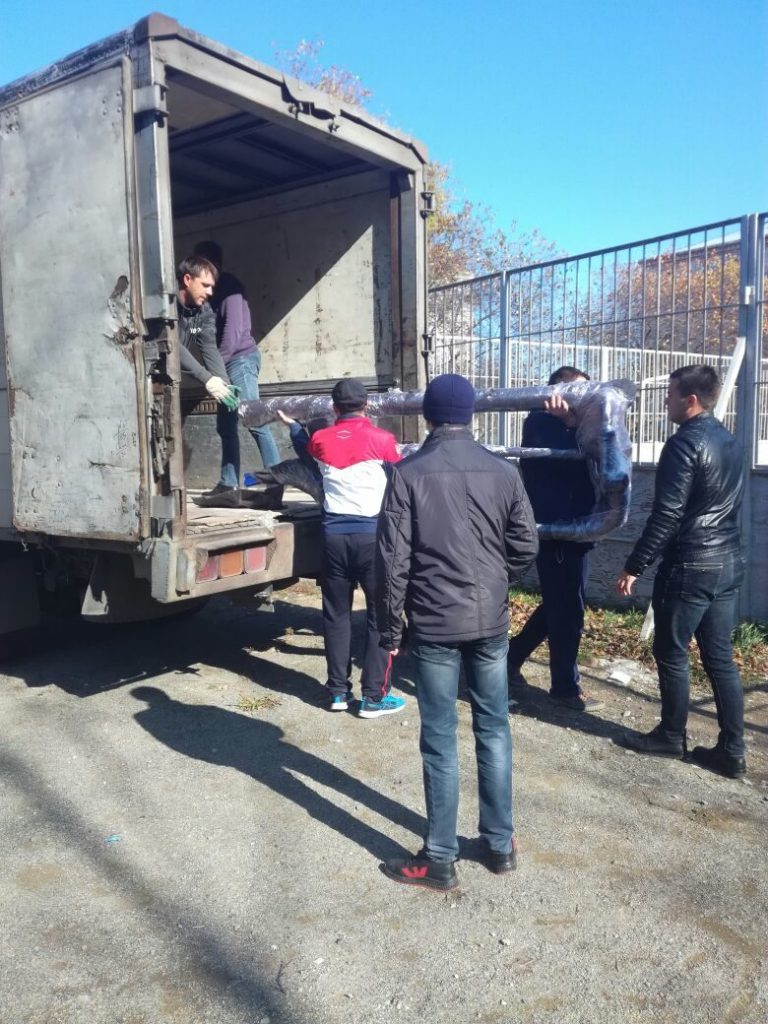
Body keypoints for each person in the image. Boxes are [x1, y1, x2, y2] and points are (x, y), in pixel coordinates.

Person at [375, 373, 539, 891]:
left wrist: (390, 628)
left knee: (440, 738)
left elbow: (392, 563)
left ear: (428, 416)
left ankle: (440, 857)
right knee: (494, 728)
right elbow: (526, 545)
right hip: (490, 621)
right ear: (471, 415)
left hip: (434, 623)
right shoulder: (504, 471)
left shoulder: (407, 474)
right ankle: (499, 844)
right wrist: (496, 582)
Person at [616, 365, 746, 779]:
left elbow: (667, 514)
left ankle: (671, 736)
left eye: (671, 395)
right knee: (719, 658)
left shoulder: (683, 444)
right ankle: (732, 751)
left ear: (690, 400)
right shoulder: (731, 441)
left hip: (691, 564)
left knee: (671, 651)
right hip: (728, 561)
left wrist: (634, 565)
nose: (666, 401)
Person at [507, 366, 604, 712]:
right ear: (558, 394)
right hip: (558, 528)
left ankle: (511, 657)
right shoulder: (543, 421)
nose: (585, 400)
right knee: (567, 609)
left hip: (574, 526)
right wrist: (572, 424)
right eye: (578, 393)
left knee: (560, 604)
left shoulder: (568, 423)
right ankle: (564, 687)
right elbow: (574, 461)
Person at [307, 378, 405, 718]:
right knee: (380, 616)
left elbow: (311, 453)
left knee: (336, 615)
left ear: (334, 407)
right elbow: (397, 476)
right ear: (367, 405)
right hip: (372, 537)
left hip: (333, 537)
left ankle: (337, 692)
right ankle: (373, 697)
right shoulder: (383, 439)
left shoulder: (319, 439)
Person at [192, 241, 280, 509]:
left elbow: (232, 332)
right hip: (226, 363)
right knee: (225, 426)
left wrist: (216, 370)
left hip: (239, 361)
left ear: (213, 264)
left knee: (255, 420)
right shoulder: (208, 294)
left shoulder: (229, 287)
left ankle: (275, 485)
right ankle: (228, 484)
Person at [176, 255, 238, 414]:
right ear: (187, 279)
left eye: (211, 287)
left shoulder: (204, 311)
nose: (210, 292)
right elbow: (172, 346)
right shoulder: (166, 304)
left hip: (172, 379)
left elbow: (209, 347)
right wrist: (207, 378)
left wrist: (224, 384)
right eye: (205, 285)